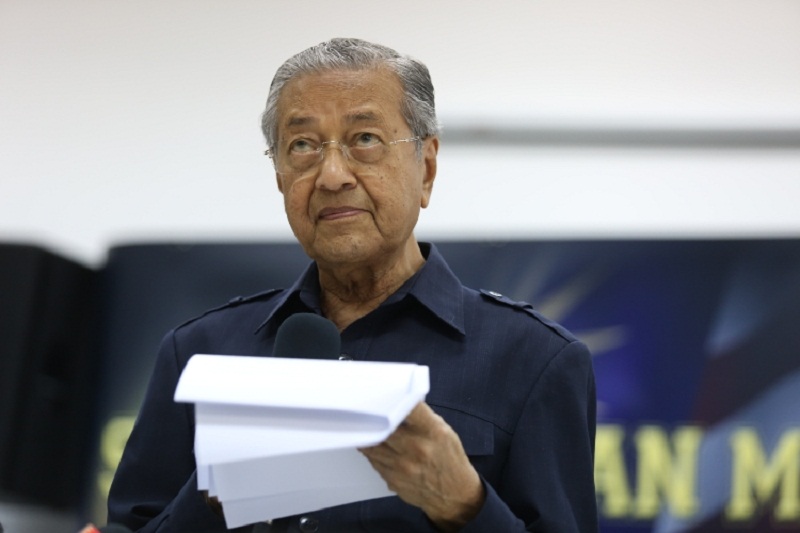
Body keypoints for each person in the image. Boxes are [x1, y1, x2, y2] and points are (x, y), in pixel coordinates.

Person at [107, 38, 597, 532]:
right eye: (302, 146)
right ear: (279, 177)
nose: (332, 175)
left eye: (364, 139)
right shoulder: (198, 354)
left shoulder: (535, 361)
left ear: (426, 166)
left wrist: (466, 505)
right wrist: (213, 491)